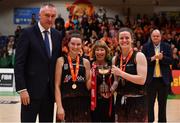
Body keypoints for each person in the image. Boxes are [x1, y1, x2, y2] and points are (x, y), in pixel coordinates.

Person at [14, 3, 62, 122]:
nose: (50, 19)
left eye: (53, 16)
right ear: (40, 15)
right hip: (29, 93)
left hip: (49, 94)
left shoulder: (57, 35)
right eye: (47, 15)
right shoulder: (27, 33)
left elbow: (57, 62)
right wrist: (22, 89)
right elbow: (19, 63)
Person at [111, 27, 148, 122]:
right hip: (120, 100)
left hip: (137, 101)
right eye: (121, 38)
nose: (124, 40)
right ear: (118, 40)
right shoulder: (115, 59)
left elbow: (142, 80)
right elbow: (116, 81)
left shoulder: (139, 56)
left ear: (132, 39)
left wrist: (121, 73)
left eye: (127, 38)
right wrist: (111, 89)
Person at [55, 30, 91, 122]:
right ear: (68, 44)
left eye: (78, 44)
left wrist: (94, 73)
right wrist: (59, 107)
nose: (75, 47)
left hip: (83, 103)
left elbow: (88, 86)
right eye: (73, 44)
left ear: (82, 45)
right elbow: (57, 86)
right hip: (65, 103)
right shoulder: (61, 61)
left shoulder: (86, 62)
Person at [142, 29, 173, 122]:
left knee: (162, 105)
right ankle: (150, 121)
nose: (155, 37)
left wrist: (162, 58)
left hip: (163, 81)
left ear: (160, 37)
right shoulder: (146, 47)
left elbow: (171, 60)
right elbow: (142, 61)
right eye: (154, 36)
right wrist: (152, 58)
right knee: (149, 104)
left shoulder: (167, 46)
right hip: (150, 81)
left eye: (157, 36)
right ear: (151, 37)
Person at [90, 40, 115, 122]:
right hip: (93, 102)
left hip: (108, 102)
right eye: (97, 50)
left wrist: (111, 91)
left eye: (102, 50)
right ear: (94, 52)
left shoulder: (111, 65)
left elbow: (116, 82)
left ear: (106, 51)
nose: (99, 52)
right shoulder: (89, 64)